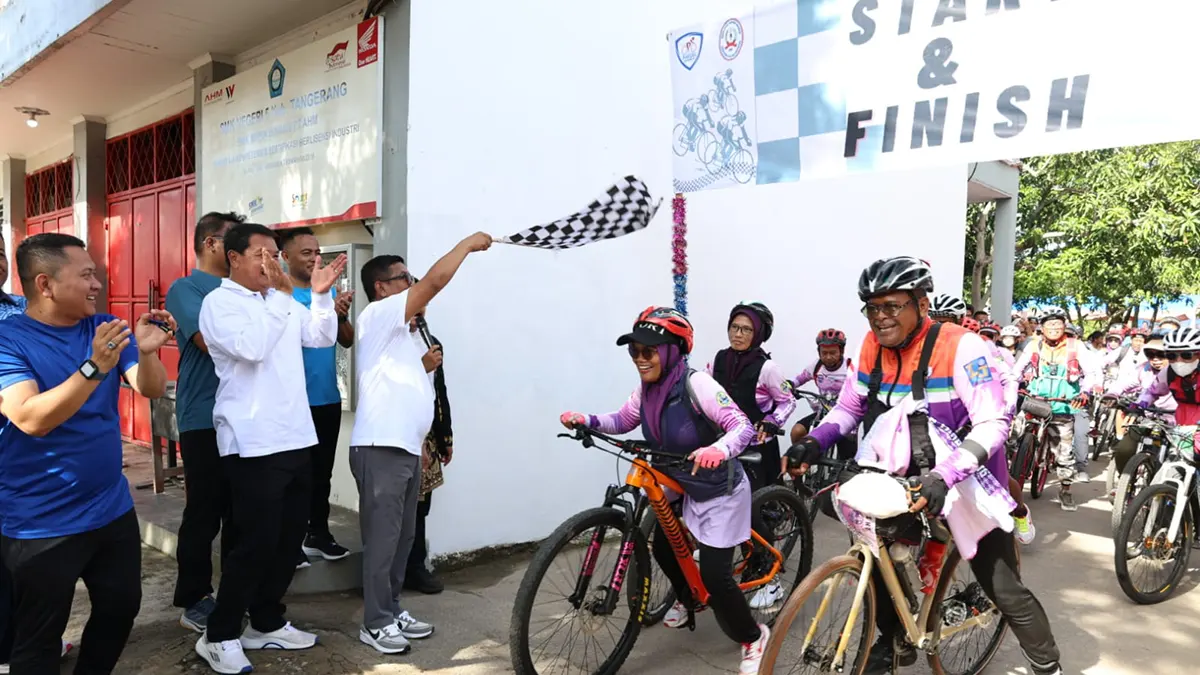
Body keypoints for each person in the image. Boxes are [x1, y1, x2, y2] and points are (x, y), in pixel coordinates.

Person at [787, 256, 1061, 675]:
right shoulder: (869, 345)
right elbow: (849, 406)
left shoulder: (961, 346)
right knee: (873, 552)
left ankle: (1047, 664)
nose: (880, 318)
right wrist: (816, 440)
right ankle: (894, 638)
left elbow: (993, 422)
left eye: (892, 306)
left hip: (967, 476)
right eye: (873, 308)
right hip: (897, 474)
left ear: (921, 303)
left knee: (1002, 586)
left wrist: (946, 475)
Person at [561, 307, 771, 675]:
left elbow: (741, 426)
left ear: (674, 350)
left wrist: (717, 449)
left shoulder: (698, 384)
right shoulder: (646, 389)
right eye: (635, 352)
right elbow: (624, 420)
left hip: (717, 487)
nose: (641, 359)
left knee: (716, 578)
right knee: (662, 546)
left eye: (649, 351)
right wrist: (589, 421)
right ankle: (688, 598)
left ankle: (753, 636)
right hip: (677, 480)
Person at [0, 233, 174, 674]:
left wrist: (149, 353)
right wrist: (95, 367)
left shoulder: (107, 330)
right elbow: (30, 417)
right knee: (38, 639)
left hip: (110, 509)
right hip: (40, 520)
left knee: (120, 609)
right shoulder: (8, 340)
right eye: (86, 275)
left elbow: (150, 388)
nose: (97, 284)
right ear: (45, 284)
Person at [194, 223, 346, 673]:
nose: (270, 262)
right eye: (260, 253)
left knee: (286, 542)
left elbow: (319, 337)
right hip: (253, 441)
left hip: (296, 435)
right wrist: (285, 297)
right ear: (233, 257)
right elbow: (253, 348)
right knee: (254, 543)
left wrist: (317, 296)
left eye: (273, 253)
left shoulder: (275, 302)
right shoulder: (220, 304)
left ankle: (265, 620)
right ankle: (219, 632)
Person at [350, 232, 491, 655]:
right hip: (380, 448)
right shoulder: (376, 317)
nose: (412, 283)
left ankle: (391, 609)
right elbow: (434, 283)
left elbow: (413, 393)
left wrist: (424, 440)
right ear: (382, 288)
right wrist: (465, 246)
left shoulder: (409, 337)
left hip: (408, 449)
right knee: (382, 539)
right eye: (403, 278)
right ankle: (374, 622)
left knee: (404, 537)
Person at [166, 211, 245, 634]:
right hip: (203, 417)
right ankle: (194, 597)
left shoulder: (244, 290)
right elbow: (207, 339)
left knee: (240, 513)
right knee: (204, 512)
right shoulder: (187, 288)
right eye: (234, 241)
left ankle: (234, 592)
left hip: (245, 420)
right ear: (212, 244)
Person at [279, 227, 355, 566]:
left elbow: (347, 340)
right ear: (285, 257)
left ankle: (318, 534)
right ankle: (289, 541)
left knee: (321, 472)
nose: (314, 258)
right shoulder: (279, 296)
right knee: (293, 476)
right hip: (293, 402)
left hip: (326, 397)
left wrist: (338, 313)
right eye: (306, 252)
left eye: (316, 251)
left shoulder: (328, 289)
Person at [1014, 307, 1098, 511]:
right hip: (1035, 401)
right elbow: (1016, 370)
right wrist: (1010, 384)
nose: (1053, 327)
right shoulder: (1033, 345)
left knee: (1063, 451)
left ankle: (1065, 489)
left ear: (1064, 326)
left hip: (1063, 404)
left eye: (1058, 323)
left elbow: (1093, 373)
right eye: (1049, 324)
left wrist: (1084, 392)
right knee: (1015, 437)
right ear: (1041, 328)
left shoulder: (1076, 346)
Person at [708, 303, 795, 491]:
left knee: (761, 506)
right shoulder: (718, 360)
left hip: (757, 445)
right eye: (734, 327)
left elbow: (788, 401)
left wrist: (773, 420)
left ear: (759, 334)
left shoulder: (768, 368)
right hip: (723, 442)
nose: (738, 334)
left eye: (746, 329)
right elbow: (702, 392)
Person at [405, 316, 452, 596]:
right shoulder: (390, 340)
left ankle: (415, 567)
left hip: (428, 435)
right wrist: (419, 367)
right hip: (399, 434)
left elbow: (439, 390)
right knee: (396, 508)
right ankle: (389, 573)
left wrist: (446, 436)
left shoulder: (431, 341)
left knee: (421, 507)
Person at [1108, 333, 1175, 475]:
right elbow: (1124, 384)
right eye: (1151, 355)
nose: (1155, 360)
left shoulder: (1180, 372)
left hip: (1177, 424)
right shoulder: (1143, 370)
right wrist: (1112, 394)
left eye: (1161, 355)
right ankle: (1125, 483)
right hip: (1147, 417)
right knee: (1123, 450)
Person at [1132, 328, 1200, 459]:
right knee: (1175, 456)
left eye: (1186, 355)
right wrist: (1137, 405)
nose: (1178, 361)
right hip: (1181, 419)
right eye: (1171, 356)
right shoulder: (1168, 372)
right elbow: (1152, 392)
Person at [789, 328, 856, 461]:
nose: (828, 357)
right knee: (797, 432)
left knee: (847, 456)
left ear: (841, 351)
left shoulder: (851, 367)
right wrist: (787, 386)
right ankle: (800, 471)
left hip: (845, 416)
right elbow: (798, 379)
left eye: (833, 353)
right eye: (824, 353)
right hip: (823, 412)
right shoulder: (817, 366)